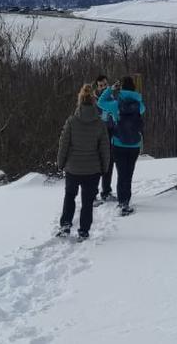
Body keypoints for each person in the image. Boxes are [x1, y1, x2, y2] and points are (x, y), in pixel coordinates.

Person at [55, 83, 111, 239]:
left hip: (73, 168)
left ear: (79, 101)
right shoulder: (100, 123)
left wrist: (61, 163)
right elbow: (105, 148)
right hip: (92, 170)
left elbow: (63, 144)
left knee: (70, 196)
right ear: (94, 102)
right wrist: (104, 167)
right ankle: (84, 230)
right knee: (87, 202)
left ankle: (66, 225)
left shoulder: (72, 121)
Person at [98, 76, 145, 215]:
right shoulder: (139, 105)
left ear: (122, 88)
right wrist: (137, 96)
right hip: (134, 145)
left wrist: (110, 89)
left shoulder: (116, 104)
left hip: (118, 144)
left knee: (121, 173)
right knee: (128, 174)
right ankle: (126, 201)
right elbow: (143, 109)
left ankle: (122, 202)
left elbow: (100, 102)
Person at [92, 75, 117, 204]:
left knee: (109, 164)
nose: (103, 87)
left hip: (111, 134)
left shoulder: (113, 97)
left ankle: (106, 192)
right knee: (97, 166)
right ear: (97, 86)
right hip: (98, 136)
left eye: (105, 85)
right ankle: (92, 194)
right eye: (100, 85)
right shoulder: (93, 100)